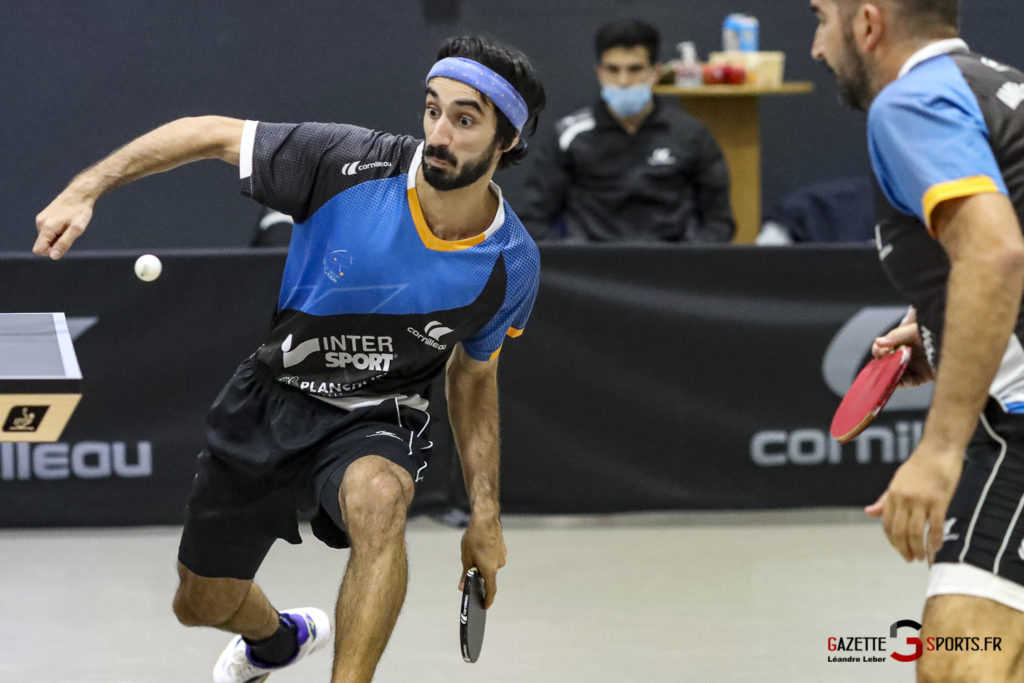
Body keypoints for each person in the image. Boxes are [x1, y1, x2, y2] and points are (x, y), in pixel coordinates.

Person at [33, 35, 545, 683]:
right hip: (273, 397)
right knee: (201, 601)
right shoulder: (343, 163)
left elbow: (473, 377)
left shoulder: (511, 261)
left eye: (465, 119)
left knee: (381, 499)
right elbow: (210, 133)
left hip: (379, 414)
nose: (439, 133)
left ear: (508, 143)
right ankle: (275, 638)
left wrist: (486, 515)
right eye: (432, 109)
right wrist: (90, 187)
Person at [811, 0, 1024, 679]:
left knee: (960, 662)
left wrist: (939, 450)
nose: (817, 47)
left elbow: (994, 256)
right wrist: (938, 329)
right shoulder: (999, 85)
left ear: (867, 24)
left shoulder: (910, 103)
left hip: (1015, 423)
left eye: (821, 19)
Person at [519, 19, 734, 243]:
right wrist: (574, 262)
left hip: (672, 266)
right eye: (613, 70)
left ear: (655, 72)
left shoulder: (691, 135)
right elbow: (533, 220)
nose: (623, 81)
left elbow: (719, 222)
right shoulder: (568, 136)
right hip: (592, 269)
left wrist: (690, 261)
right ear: (600, 73)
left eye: (635, 69)